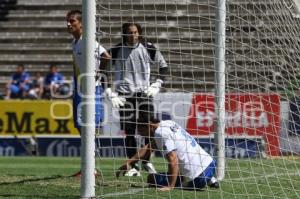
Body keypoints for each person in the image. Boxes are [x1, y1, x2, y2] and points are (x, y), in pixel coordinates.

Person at [106, 22, 169, 176]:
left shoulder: (149, 47)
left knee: (149, 130)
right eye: (129, 32)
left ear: (139, 33)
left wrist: (157, 84)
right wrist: (109, 91)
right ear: (124, 33)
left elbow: (164, 67)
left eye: (135, 32)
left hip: (144, 95)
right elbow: (104, 70)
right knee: (129, 131)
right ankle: (133, 166)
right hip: (124, 96)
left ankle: (147, 161)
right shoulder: (115, 50)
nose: (132, 35)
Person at [116, 108, 219, 191]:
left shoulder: (160, 133)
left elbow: (173, 160)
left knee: (151, 178)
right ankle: (211, 180)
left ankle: (192, 181)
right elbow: (149, 147)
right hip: (211, 164)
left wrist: (170, 186)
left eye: (140, 130)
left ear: (149, 126)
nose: (139, 133)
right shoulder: (169, 123)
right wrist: (129, 162)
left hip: (198, 178)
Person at [66, 10, 111, 176]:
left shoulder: (88, 41)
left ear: (82, 24)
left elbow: (106, 56)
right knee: (80, 126)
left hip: (91, 90)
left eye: (72, 21)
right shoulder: (75, 42)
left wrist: (97, 76)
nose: (68, 24)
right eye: (68, 21)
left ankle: (91, 168)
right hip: (79, 88)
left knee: (89, 126)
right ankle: (88, 166)